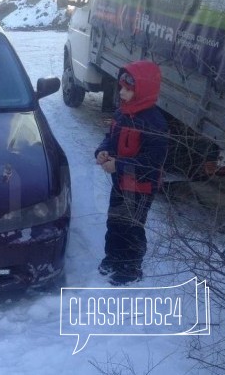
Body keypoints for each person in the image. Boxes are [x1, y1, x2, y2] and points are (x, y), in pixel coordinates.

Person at [95, 60, 168, 285]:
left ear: (142, 91)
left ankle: (130, 266)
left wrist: (119, 164)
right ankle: (114, 257)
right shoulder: (122, 114)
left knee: (132, 226)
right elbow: (111, 137)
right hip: (120, 183)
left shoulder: (155, 123)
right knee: (115, 220)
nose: (122, 93)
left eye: (128, 90)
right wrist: (103, 150)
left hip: (141, 186)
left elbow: (151, 162)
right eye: (122, 88)